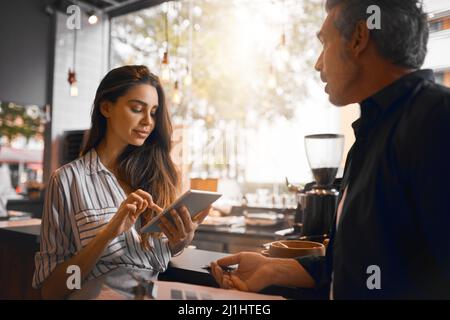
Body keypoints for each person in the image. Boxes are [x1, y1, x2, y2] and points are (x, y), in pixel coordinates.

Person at [211, 0, 450, 299]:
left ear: (360, 37)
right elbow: (359, 267)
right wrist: (273, 269)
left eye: (324, 43)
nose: (318, 63)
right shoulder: (369, 135)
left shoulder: (437, 117)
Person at [33, 65, 210, 299]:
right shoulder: (67, 180)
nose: (148, 121)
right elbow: (52, 290)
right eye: (137, 109)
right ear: (106, 107)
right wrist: (108, 233)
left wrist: (181, 241)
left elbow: (157, 260)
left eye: (154, 112)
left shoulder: (157, 177)